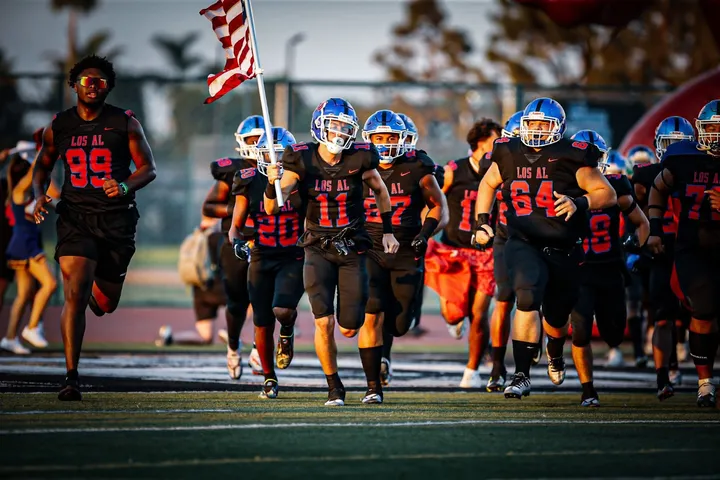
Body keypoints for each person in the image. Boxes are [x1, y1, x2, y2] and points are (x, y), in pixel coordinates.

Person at [32, 55, 157, 401]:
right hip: (76, 219)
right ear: (73, 85)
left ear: (109, 87)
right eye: (86, 80)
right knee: (74, 292)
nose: (93, 86)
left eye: (100, 81)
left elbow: (148, 168)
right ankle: (71, 377)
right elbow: (41, 167)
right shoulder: (59, 126)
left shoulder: (125, 123)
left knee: (105, 304)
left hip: (117, 220)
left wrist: (126, 186)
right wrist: (38, 196)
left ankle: (92, 288)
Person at [473, 97, 616, 399]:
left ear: (558, 127)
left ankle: (554, 352)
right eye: (532, 124)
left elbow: (607, 193)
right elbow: (487, 184)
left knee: (557, 318)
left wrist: (580, 202)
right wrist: (482, 221)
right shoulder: (508, 151)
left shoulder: (570, 155)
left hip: (564, 248)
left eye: (544, 124)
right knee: (526, 296)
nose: (537, 130)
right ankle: (521, 374)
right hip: (523, 240)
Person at [264, 97, 399, 406]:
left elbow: (380, 190)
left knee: (350, 326)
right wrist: (272, 185)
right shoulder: (302, 159)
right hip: (317, 247)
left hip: (352, 246)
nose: (339, 132)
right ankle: (334, 387)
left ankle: (364, 378)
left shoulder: (360, 158)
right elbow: (273, 207)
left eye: (344, 127)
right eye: (334, 125)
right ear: (319, 126)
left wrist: (388, 229)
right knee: (322, 322)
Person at [360, 109, 447, 402]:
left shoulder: (418, 166)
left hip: (406, 247)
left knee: (399, 323)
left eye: (391, 137)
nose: (385, 143)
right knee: (372, 310)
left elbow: (438, 208)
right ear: (368, 139)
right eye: (379, 137)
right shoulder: (356, 165)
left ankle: (386, 352)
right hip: (369, 246)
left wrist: (424, 234)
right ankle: (373, 386)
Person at [647, 99, 720, 408]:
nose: (715, 136)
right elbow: (658, 188)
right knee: (703, 309)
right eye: (711, 128)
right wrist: (652, 227)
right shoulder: (681, 157)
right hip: (692, 247)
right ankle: (705, 382)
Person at [568, 130, 649, 407]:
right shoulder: (565, 186)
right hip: (579, 269)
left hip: (610, 268)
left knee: (613, 333)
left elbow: (642, 222)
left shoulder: (616, 185)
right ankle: (588, 389)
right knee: (579, 330)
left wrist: (635, 249)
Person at [424, 119, 501, 389]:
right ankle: (455, 320)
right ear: (479, 142)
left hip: (485, 252)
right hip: (454, 250)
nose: (498, 146)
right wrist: (424, 231)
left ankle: (472, 369)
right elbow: (434, 202)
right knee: (454, 314)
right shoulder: (454, 170)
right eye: (494, 141)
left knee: (479, 314)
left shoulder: (500, 170)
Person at [229, 127, 304, 399]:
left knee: (282, 310)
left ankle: (287, 332)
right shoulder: (247, 179)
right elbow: (235, 225)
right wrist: (236, 242)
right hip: (261, 253)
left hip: (293, 254)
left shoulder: (299, 180)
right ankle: (269, 378)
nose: (273, 161)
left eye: (280, 156)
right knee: (261, 321)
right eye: (267, 155)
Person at [635, 116, 696, 398]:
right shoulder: (645, 175)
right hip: (661, 250)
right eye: (667, 144)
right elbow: (633, 209)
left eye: (678, 144)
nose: (672, 150)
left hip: (695, 248)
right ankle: (663, 378)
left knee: (700, 314)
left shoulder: (701, 170)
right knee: (662, 316)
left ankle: (701, 374)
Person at [203, 115, 264, 379]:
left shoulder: (279, 167)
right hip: (237, 241)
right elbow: (208, 207)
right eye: (252, 139)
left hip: (268, 242)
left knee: (266, 299)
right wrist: (238, 207)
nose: (258, 144)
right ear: (242, 142)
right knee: (238, 302)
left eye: (262, 139)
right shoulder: (233, 170)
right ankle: (232, 347)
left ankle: (259, 349)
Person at [2, 147, 58, 354]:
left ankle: (9, 338)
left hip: (27, 242)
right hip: (24, 243)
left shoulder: (32, 195)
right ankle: (32, 327)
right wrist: (44, 152)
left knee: (24, 294)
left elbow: (56, 198)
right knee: (50, 283)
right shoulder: (18, 191)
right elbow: (34, 171)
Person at [486, 111, 522, 392]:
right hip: (505, 235)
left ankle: (541, 345)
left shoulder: (550, 162)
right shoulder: (500, 160)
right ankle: (497, 365)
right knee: (504, 298)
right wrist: (481, 225)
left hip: (539, 237)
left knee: (536, 299)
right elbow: (485, 193)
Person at [156, 215, 226, 347]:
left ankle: (170, 337)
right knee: (252, 302)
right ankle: (229, 331)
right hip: (217, 287)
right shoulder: (218, 238)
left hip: (198, 288)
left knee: (205, 337)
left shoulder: (194, 237)